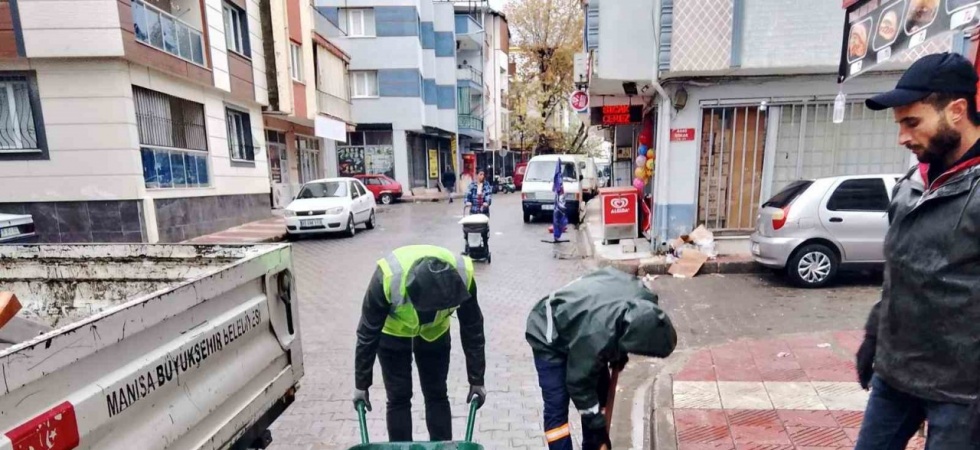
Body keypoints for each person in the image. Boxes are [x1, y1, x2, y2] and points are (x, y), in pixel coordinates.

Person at [855, 52, 980, 449]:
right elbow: (899, 272)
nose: (903, 137)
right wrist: (875, 334)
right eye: (899, 124)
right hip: (895, 377)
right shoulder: (912, 182)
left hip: (962, 394)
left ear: (957, 110)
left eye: (912, 122)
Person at [525, 267, 677, 450]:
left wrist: (619, 353)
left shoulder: (646, 301)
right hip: (549, 333)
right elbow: (579, 385)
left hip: (584, 321)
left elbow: (621, 330)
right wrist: (600, 432)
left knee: (600, 397)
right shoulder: (596, 335)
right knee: (557, 409)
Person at [353, 245, 487, 442]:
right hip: (393, 332)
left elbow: (472, 327)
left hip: (435, 334)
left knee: (437, 393)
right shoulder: (388, 277)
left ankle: (442, 447)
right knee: (398, 396)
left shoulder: (462, 276)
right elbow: (367, 333)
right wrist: (361, 384)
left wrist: (477, 379)